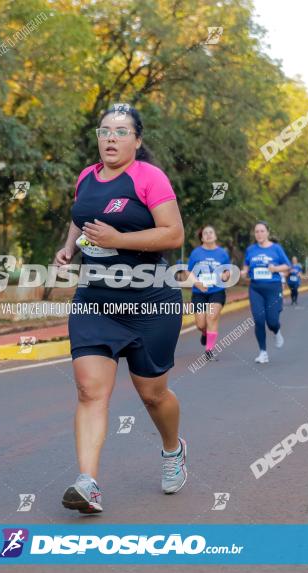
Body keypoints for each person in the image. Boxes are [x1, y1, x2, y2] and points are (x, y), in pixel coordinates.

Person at [54, 104, 187, 514]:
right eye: (105, 131)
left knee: (153, 393)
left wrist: (118, 239)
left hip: (150, 300)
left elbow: (173, 234)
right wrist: (69, 246)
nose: (111, 138)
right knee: (89, 390)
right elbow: (82, 218)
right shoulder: (86, 177)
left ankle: (172, 449)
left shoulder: (149, 178)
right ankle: (88, 482)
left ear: (137, 140)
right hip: (96, 299)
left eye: (121, 131)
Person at [242, 221, 290, 364]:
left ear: (268, 232)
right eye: (257, 231)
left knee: (272, 321)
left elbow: (287, 265)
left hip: (273, 289)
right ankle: (263, 352)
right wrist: (243, 272)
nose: (259, 234)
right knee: (258, 320)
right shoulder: (251, 249)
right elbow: (246, 266)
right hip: (255, 289)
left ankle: (276, 331)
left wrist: (275, 269)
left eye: (262, 231)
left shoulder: (276, 249)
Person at [186, 225, 232, 361]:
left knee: (211, 317)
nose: (208, 235)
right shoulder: (196, 253)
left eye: (211, 232)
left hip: (216, 291)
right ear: (202, 237)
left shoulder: (222, 253)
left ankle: (209, 351)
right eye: (205, 233)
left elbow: (227, 270)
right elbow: (188, 271)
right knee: (200, 324)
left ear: (215, 236)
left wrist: (225, 276)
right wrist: (197, 283)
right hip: (199, 292)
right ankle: (205, 333)